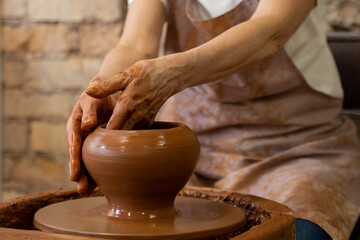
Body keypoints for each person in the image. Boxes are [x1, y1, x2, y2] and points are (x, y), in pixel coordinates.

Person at [66, 0, 360, 239]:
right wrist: (104, 88)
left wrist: (173, 73)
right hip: (190, 153)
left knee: (298, 233)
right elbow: (136, 43)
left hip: (296, 147)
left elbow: (269, 33)